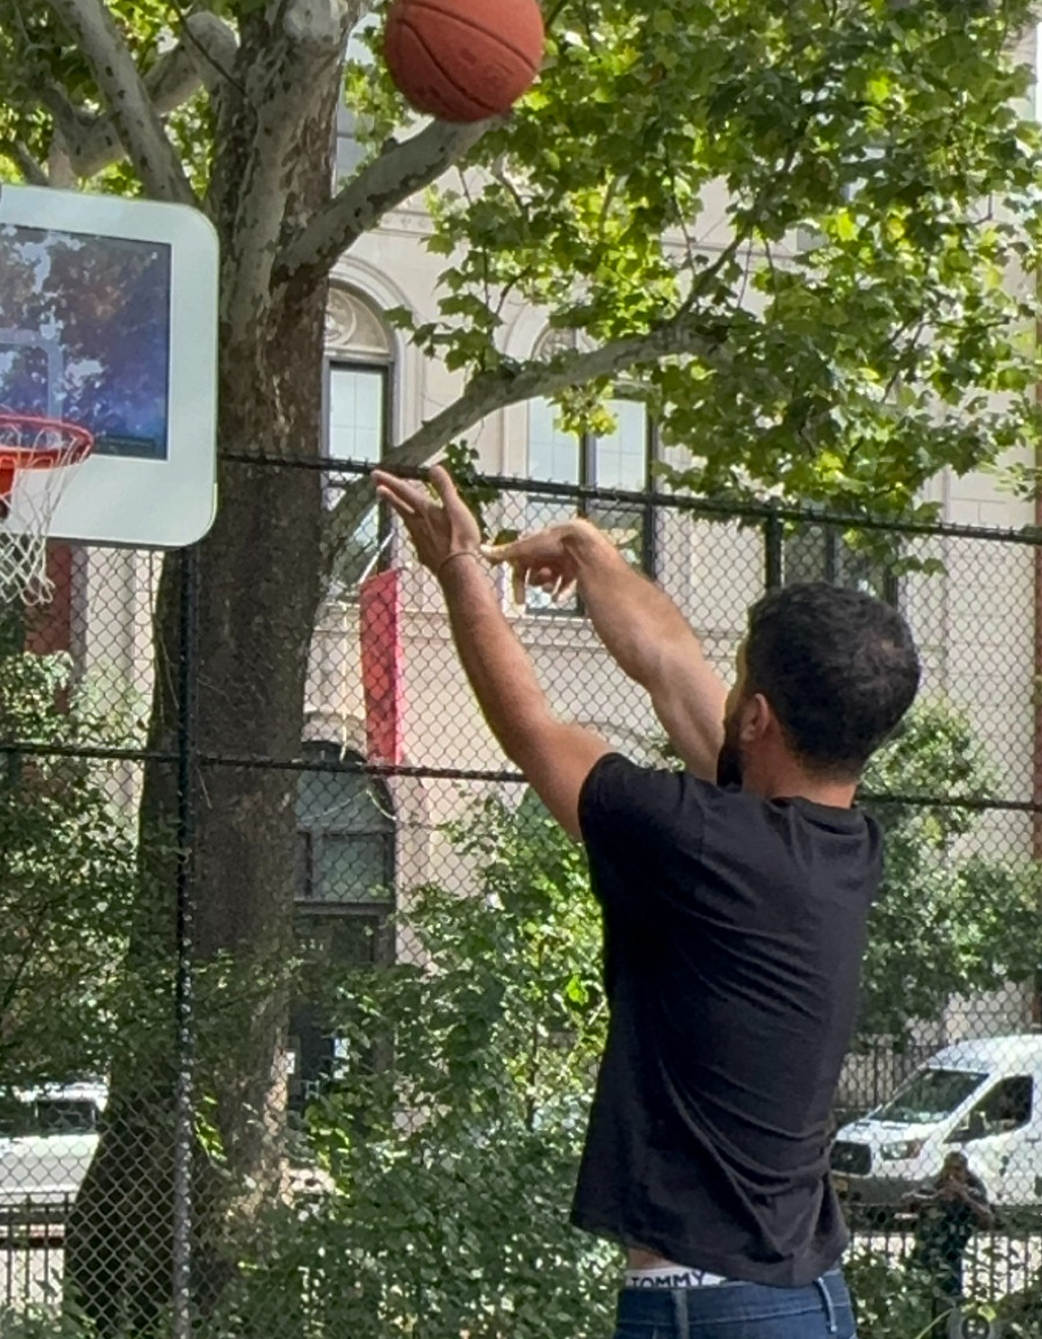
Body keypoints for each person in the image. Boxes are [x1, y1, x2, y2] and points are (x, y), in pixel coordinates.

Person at [374, 467, 921, 1339]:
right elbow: (672, 664)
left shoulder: (699, 840)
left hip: (710, 1312)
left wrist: (460, 566)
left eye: (740, 678)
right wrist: (593, 554)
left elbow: (533, 729)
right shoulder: (841, 846)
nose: (724, 686)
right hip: (795, 1301)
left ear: (760, 720)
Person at [904, 1152, 994, 1328]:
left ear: (965, 1174)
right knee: (917, 1309)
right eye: (948, 1169)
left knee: (949, 1312)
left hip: (951, 1261)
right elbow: (907, 1200)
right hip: (924, 1257)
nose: (952, 1175)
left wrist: (965, 1197)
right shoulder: (932, 1187)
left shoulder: (972, 1192)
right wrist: (935, 1198)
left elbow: (988, 1219)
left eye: (958, 1170)